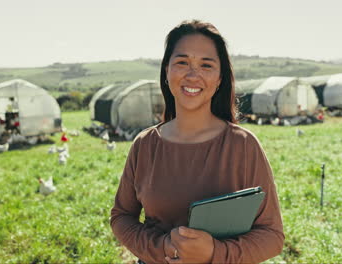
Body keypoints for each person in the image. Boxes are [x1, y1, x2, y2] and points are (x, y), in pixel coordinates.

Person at [110, 20, 284, 264]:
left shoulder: (243, 146)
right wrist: (163, 248)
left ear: (220, 78)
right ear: (167, 71)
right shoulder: (145, 145)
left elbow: (272, 237)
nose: (193, 75)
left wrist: (214, 253)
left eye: (206, 65)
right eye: (182, 62)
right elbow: (121, 217)